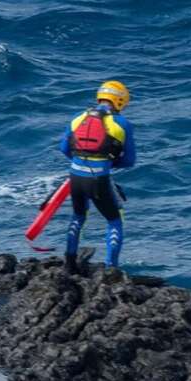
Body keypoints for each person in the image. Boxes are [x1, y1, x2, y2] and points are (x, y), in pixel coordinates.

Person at [59, 80, 136, 272]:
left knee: (78, 216)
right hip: (99, 178)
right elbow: (129, 161)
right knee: (114, 220)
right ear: (119, 101)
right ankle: (111, 269)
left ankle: (69, 263)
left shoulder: (78, 118)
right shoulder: (122, 124)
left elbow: (64, 149)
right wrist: (108, 162)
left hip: (75, 176)